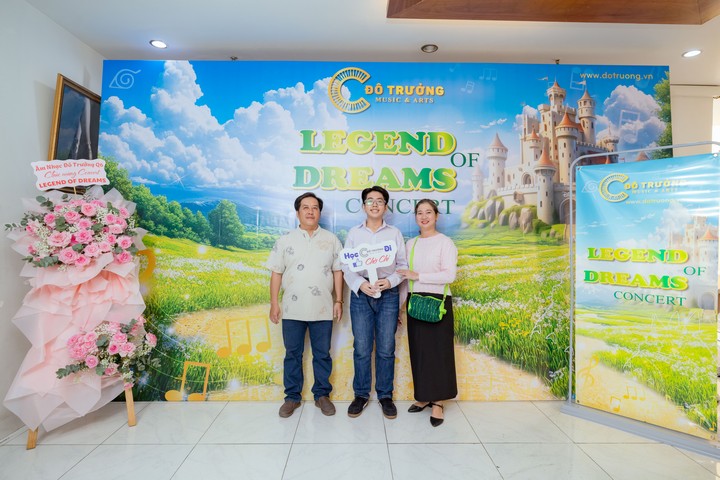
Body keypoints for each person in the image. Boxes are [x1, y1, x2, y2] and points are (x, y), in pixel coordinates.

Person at [266, 192, 344, 418]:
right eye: (306, 207)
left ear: (320, 212)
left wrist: (339, 300)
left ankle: (322, 395)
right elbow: (276, 272)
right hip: (292, 309)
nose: (310, 211)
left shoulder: (332, 240)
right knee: (293, 354)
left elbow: (338, 271)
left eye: (315, 207)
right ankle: (292, 397)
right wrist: (274, 303)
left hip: (323, 308)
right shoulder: (285, 240)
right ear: (297, 212)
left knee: (322, 354)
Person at [342, 186, 408, 419]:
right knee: (361, 347)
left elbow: (403, 266)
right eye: (370, 201)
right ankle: (360, 395)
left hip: (388, 294)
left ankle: (385, 395)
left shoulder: (394, 233)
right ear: (363, 206)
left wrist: (389, 282)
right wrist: (360, 284)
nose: (375, 204)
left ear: (386, 207)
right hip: (361, 295)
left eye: (379, 201)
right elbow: (346, 265)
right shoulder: (354, 233)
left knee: (386, 347)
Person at [398, 199, 458, 427]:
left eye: (428, 212)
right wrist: (400, 307)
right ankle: (423, 396)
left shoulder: (445, 243)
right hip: (415, 302)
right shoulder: (411, 244)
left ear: (436, 216)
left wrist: (419, 276)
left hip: (438, 302)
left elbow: (449, 275)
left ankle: (438, 402)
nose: (424, 217)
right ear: (415, 217)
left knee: (439, 353)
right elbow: (405, 278)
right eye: (419, 213)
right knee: (419, 352)